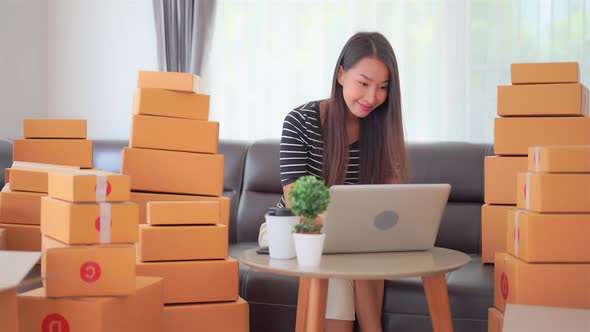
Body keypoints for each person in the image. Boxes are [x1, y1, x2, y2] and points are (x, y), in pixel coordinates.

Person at [259, 31, 409, 332]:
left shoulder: (381, 130)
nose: (371, 98)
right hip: (292, 228)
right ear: (341, 74)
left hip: (354, 238)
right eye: (363, 83)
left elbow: (392, 203)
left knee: (359, 248)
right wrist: (347, 229)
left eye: (382, 88)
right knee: (338, 254)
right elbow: (296, 202)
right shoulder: (300, 121)